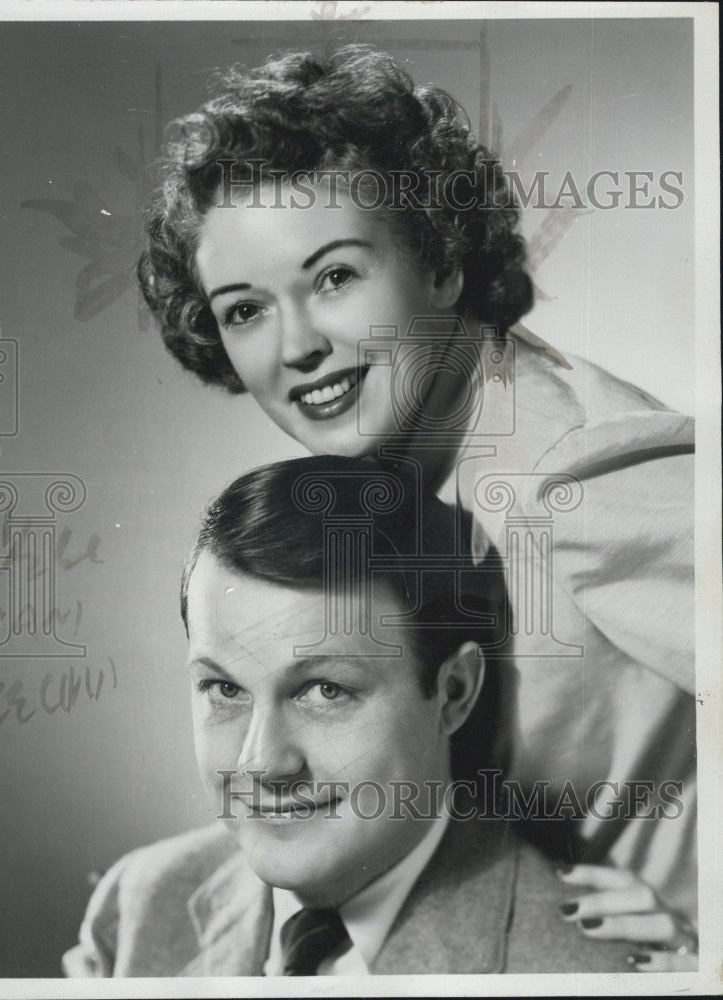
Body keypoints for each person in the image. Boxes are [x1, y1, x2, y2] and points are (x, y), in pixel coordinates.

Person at [137, 46, 696, 963]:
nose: (299, 346)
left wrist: (701, 946)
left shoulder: (576, 476)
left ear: (440, 262)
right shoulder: (410, 474)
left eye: (334, 278)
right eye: (245, 310)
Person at [63, 456, 638, 976]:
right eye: (223, 688)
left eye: (325, 691)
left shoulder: (585, 968)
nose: (262, 763)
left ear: (453, 693)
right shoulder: (138, 905)